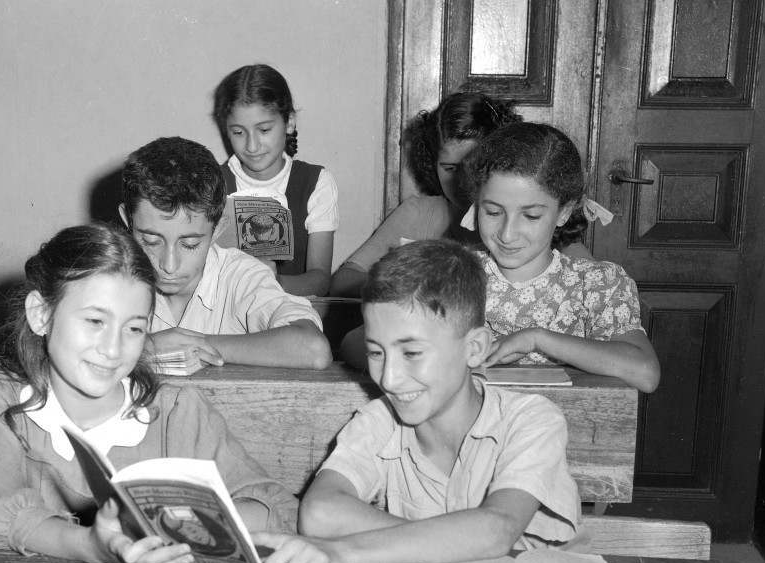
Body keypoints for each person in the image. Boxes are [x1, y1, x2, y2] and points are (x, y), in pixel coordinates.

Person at [0, 224, 298, 563]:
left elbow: (274, 507)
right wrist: (90, 546)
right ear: (41, 314)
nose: (113, 350)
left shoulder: (175, 412)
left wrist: (177, 529)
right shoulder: (0, 401)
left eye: (135, 328)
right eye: (95, 321)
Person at [253, 239, 581, 563]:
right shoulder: (380, 419)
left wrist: (345, 551)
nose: (389, 378)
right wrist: (455, 544)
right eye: (376, 353)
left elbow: (497, 528)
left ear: (475, 349)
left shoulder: (531, 420)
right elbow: (320, 514)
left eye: (411, 353)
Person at [464, 122, 661, 393]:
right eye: (493, 212)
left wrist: (536, 339)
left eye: (531, 216)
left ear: (564, 212)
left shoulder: (597, 284)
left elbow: (645, 374)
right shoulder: (454, 274)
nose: (507, 234)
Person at [119, 136, 332, 370]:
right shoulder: (109, 277)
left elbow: (313, 349)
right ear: (127, 220)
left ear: (218, 228)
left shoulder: (241, 276)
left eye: (189, 244)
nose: (169, 265)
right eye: (151, 241)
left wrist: (192, 344)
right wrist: (146, 346)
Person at [329, 91, 519, 298]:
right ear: (432, 165)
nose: (463, 181)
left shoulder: (519, 222)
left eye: (474, 168)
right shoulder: (417, 213)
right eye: (450, 169)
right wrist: (402, 286)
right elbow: (344, 279)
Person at [213, 64, 338, 297]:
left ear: (289, 122)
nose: (252, 146)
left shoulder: (315, 182)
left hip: (291, 315)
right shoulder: (213, 182)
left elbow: (320, 280)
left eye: (264, 130)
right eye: (238, 132)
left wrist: (271, 280)